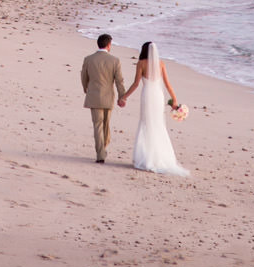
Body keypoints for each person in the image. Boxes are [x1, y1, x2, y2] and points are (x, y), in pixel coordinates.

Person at [122, 41, 189, 176]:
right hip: (158, 96)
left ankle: (145, 157)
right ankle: (162, 157)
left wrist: (124, 97)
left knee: (146, 124)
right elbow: (168, 84)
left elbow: (136, 84)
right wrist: (174, 99)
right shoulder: (161, 64)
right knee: (158, 124)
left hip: (147, 95)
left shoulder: (141, 63)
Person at [80, 33, 127, 163]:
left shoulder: (88, 59)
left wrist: (85, 88)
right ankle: (101, 153)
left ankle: (101, 150)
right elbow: (119, 81)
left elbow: (84, 76)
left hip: (94, 95)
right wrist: (122, 96)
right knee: (105, 125)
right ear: (108, 45)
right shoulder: (115, 61)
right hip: (108, 97)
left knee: (98, 125)